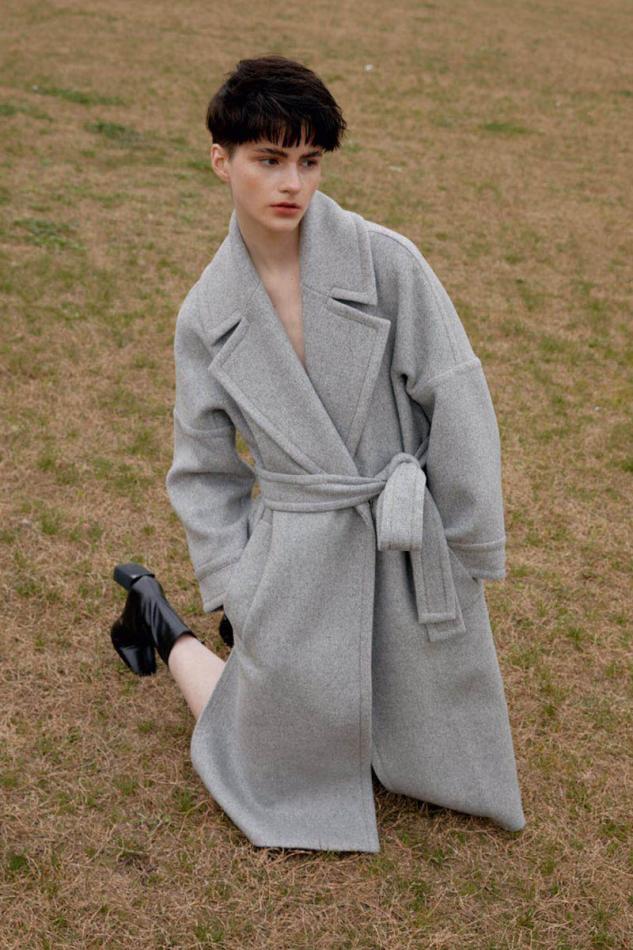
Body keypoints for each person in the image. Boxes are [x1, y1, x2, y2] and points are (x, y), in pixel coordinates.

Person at [110, 54, 526, 853]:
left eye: (308, 161)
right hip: (295, 556)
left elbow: (457, 401)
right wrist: (240, 590)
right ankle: (165, 624)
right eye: (268, 160)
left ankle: (185, 627)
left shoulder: (387, 262)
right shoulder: (206, 315)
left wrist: (465, 547)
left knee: (431, 752)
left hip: (401, 541)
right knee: (264, 765)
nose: (291, 183)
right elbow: (203, 470)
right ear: (221, 160)